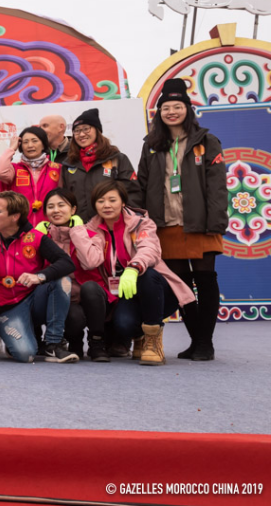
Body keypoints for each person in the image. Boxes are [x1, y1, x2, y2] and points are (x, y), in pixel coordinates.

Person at [137, 79, 226, 361]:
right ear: (159, 112)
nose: (172, 111)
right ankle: (197, 341)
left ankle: (205, 342)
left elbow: (217, 185)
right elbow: (142, 183)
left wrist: (216, 222)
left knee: (206, 280)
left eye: (178, 106)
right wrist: (141, 222)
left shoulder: (206, 141)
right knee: (181, 285)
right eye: (166, 107)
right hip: (166, 224)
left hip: (200, 223)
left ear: (188, 109)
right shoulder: (151, 145)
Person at [84, 180, 196, 365]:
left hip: (156, 290)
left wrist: (133, 267)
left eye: (112, 200)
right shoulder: (91, 230)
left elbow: (150, 250)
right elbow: (89, 261)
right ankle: (140, 337)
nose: (107, 205)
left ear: (123, 202)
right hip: (124, 294)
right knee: (123, 325)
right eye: (101, 201)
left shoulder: (142, 224)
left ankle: (153, 341)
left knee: (148, 275)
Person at [0, 191, 78, 363]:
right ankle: (6, 331)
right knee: (26, 354)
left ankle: (53, 345)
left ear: (14, 216)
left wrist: (40, 276)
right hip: (6, 309)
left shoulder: (35, 237)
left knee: (63, 281)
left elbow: (67, 263)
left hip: (32, 300)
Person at [36, 188, 108, 360]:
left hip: (91, 296)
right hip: (64, 298)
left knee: (90, 288)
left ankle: (96, 342)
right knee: (73, 316)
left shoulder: (93, 234)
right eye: (51, 206)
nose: (56, 210)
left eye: (62, 205)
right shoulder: (41, 237)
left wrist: (76, 232)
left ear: (73, 210)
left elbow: (90, 262)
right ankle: (74, 341)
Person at [61, 108, 140, 221]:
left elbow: (132, 192)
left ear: (97, 131)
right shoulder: (69, 163)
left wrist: (131, 220)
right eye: (77, 131)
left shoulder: (116, 158)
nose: (81, 134)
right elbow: (65, 197)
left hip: (112, 225)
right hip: (80, 228)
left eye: (86, 129)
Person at [0, 127, 62, 226]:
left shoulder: (57, 168)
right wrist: (12, 148)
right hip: (20, 229)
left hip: (51, 228)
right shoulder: (14, 169)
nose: (30, 145)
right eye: (25, 142)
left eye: (35, 141)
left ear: (43, 144)